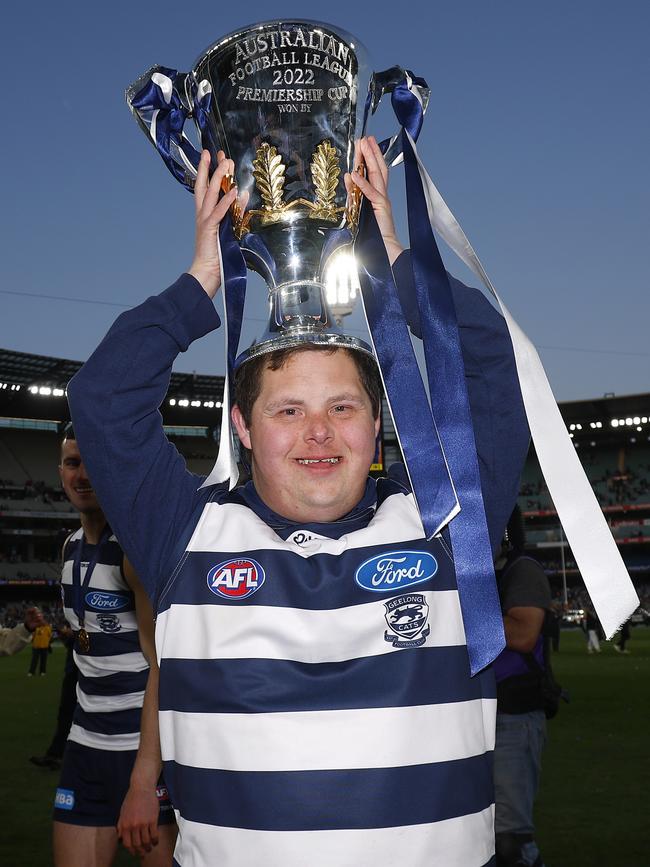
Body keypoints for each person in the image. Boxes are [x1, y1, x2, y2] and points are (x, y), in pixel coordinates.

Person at [67, 139, 530, 866]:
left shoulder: (448, 523)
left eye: (343, 406)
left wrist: (396, 259)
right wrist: (203, 278)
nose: (319, 431)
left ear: (378, 424)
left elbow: (488, 359)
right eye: (288, 411)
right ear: (244, 428)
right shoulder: (188, 537)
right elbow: (102, 399)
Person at [52, 429, 177, 866]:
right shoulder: (68, 547)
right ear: (60, 472)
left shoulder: (132, 552)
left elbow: (162, 667)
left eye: (91, 463)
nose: (82, 475)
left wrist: (143, 783)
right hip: (85, 745)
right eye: (72, 464)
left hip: (141, 752)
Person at [492, 508, 552, 867]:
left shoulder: (522, 568)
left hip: (513, 713)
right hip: (481, 713)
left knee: (511, 838)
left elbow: (524, 634)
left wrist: (453, 609)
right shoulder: (487, 572)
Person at [30, 623, 78, 770]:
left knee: (74, 715)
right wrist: (67, 637)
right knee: (65, 715)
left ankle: (61, 756)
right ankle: (56, 755)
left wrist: (74, 634)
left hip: (86, 672)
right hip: (73, 671)